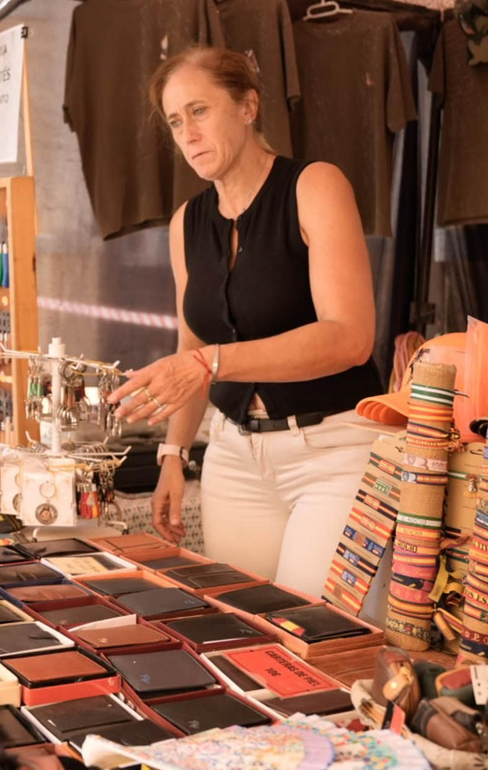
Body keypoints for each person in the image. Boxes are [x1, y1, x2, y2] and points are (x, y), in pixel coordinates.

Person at [108, 45, 386, 603]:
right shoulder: (188, 222)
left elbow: (350, 337)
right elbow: (192, 341)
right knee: (242, 626)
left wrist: (212, 362)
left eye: (200, 111)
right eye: (175, 120)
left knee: (316, 632)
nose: (187, 133)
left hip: (332, 452)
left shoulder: (314, 186)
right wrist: (172, 456)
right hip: (234, 455)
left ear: (248, 106)